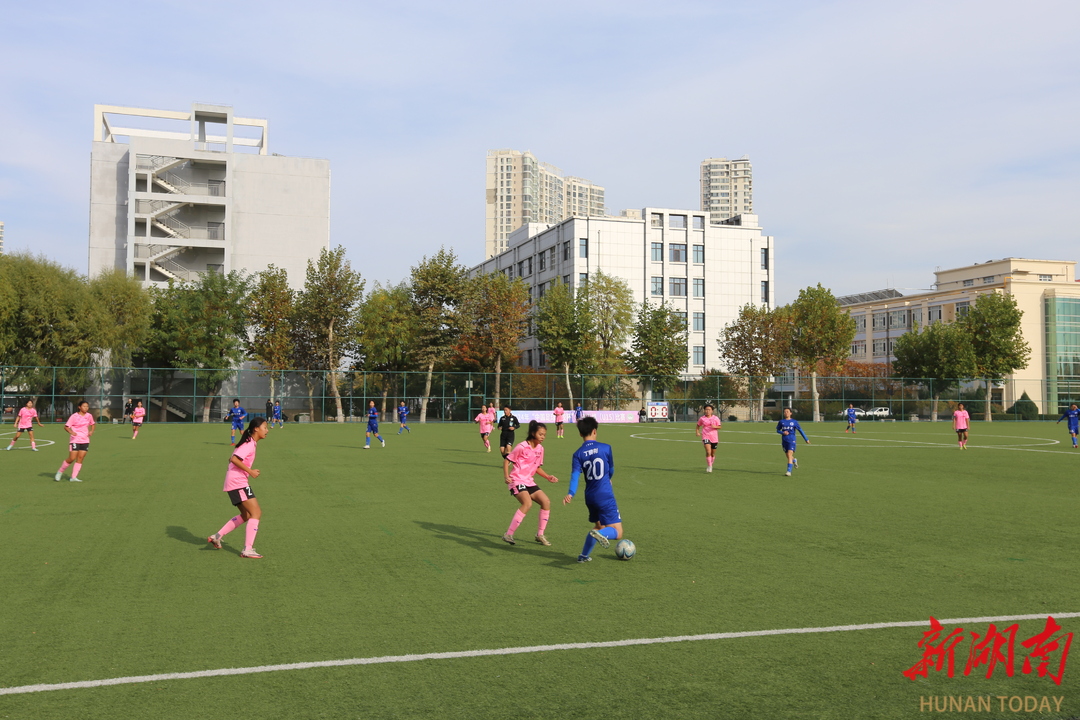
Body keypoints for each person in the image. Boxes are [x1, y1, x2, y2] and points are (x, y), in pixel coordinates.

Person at [207, 417, 270, 559]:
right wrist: (251, 471)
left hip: (234, 482)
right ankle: (247, 549)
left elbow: (232, 458)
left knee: (247, 515)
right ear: (256, 428)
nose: (267, 430)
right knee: (256, 513)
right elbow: (234, 459)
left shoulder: (250, 442)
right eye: (265, 427)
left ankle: (217, 536)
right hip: (238, 482)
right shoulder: (249, 443)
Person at [563, 417, 622, 563]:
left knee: (597, 526)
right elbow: (612, 469)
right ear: (595, 431)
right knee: (618, 532)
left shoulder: (578, 454)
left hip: (590, 497)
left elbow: (575, 476)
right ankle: (602, 534)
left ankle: (583, 556)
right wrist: (608, 477)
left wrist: (571, 493)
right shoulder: (606, 448)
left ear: (580, 434)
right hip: (605, 495)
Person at [502, 420, 559, 546]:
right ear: (533, 433)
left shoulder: (540, 449)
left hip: (529, 481)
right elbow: (507, 461)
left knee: (546, 502)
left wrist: (547, 477)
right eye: (540, 434)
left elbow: (537, 467)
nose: (543, 437)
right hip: (516, 480)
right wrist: (506, 476)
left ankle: (540, 534)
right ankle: (509, 534)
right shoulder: (521, 447)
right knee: (527, 503)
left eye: (544, 435)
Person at [55, 400, 95, 482]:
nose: (86, 408)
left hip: (85, 440)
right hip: (75, 440)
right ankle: (60, 472)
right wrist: (71, 432)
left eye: (87, 406)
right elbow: (66, 427)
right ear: (79, 407)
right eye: (84, 406)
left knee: (80, 458)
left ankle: (73, 477)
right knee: (72, 458)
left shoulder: (89, 416)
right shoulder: (74, 416)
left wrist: (91, 431)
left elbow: (92, 424)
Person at [776, 407, 810, 477]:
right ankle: (794, 460)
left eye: (787, 411)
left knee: (789, 454)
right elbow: (778, 430)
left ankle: (789, 471)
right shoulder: (781, 421)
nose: (786, 413)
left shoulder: (794, 422)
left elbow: (800, 430)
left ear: (791, 413)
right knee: (788, 456)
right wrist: (782, 432)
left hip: (792, 440)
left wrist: (806, 439)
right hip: (784, 440)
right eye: (785, 412)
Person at [696, 403, 723, 473]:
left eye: (709, 410)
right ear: (704, 410)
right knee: (708, 451)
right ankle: (709, 466)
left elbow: (720, 426)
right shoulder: (702, 418)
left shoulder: (716, 418)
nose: (707, 411)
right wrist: (697, 432)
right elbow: (698, 425)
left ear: (712, 411)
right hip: (705, 436)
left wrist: (715, 426)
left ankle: (710, 463)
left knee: (712, 453)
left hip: (714, 437)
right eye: (706, 409)